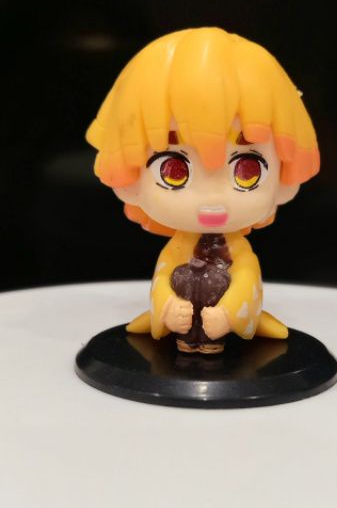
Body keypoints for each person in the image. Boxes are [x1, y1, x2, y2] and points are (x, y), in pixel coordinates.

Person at [85, 27, 320, 353]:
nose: (213, 201)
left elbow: (246, 278)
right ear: (130, 181)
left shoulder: (238, 252)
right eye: (174, 171)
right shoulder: (176, 250)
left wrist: (228, 315)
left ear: (284, 180)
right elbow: (163, 277)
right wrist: (167, 309)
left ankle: (214, 341)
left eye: (247, 171)